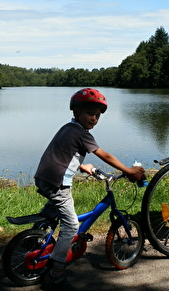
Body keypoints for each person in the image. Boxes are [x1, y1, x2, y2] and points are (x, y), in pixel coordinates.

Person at [34, 88, 145, 291]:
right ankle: (55, 273)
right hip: (58, 184)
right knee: (71, 226)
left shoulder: (68, 128)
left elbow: (65, 152)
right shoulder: (81, 133)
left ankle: (34, 239)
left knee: (52, 213)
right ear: (76, 112)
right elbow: (105, 155)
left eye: (97, 115)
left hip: (44, 178)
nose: (94, 119)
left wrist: (84, 166)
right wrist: (129, 170)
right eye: (89, 113)